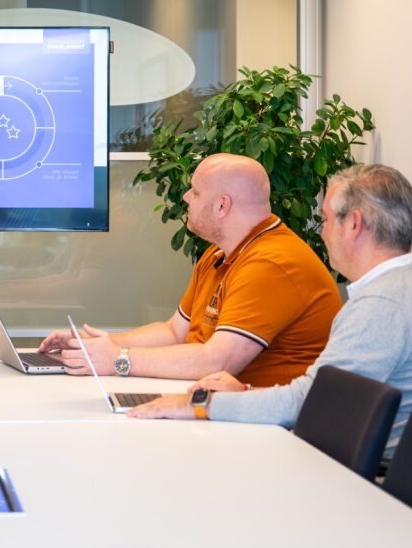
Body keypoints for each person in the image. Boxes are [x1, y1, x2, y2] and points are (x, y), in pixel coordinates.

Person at [128, 164, 412, 456]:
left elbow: (313, 405)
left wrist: (201, 404)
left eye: (327, 219)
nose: (322, 231)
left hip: (355, 476)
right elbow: (320, 396)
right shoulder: (400, 289)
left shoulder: (383, 305)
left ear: (354, 224)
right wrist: (244, 393)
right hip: (349, 452)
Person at [38, 153, 340, 387]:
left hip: (270, 431)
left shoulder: (271, 263)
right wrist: (97, 347)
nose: (185, 198)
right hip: (223, 409)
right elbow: (174, 332)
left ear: (222, 206)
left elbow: (216, 361)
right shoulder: (220, 252)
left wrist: (118, 359)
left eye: (195, 192)